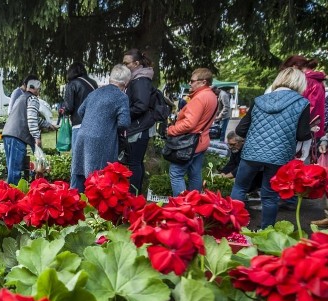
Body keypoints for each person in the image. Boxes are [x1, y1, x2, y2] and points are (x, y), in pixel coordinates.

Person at [230, 68, 311, 229]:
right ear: (300, 82)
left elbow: (240, 131)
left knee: (240, 188)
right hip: (280, 156)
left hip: (252, 152)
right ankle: (265, 232)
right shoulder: (302, 103)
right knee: (270, 196)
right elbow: (302, 135)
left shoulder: (259, 100)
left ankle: (232, 227)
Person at [70, 64, 131, 193]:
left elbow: (80, 111)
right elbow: (124, 123)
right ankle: (93, 210)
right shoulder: (121, 97)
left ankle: (75, 204)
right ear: (126, 82)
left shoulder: (94, 93)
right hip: (102, 140)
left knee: (79, 175)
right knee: (98, 179)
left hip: (82, 136)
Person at [167, 68, 218, 196]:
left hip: (190, 143)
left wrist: (171, 130)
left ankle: (182, 208)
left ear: (203, 82)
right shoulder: (212, 96)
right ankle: (195, 206)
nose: (189, 83)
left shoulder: (200, 98)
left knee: (176, 174)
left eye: (192, 81)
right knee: (195, 174)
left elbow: (189, 124)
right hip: (201, 141)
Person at [2, 79, 57, 185]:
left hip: (8, 134)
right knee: (15, 171)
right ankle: (13, 197)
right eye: (39, 89)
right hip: (17, 136)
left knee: (11, 169)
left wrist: (48, 125)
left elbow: (31, 117)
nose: (39, 92)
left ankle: (9, 194)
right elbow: (31, 120)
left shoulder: (21, 97)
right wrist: (37, 138)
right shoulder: (33, 99)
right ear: (35, 88)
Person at [121, 49, 156, 195]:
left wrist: (123, 115)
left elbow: (141, 105)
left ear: (136, 63)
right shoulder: (138, 79)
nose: (124, 66)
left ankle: (133, 195)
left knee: (134, 163)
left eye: (126, 63)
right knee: (136, 162)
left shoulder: (140, 80)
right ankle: (135, 194)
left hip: (139, 128)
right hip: (138, 127)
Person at [60, 62, 97, 126]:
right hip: (93, 123)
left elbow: (69, 107)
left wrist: (63, 109)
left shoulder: (72, 84)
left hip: (79, 123)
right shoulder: (94, 83)